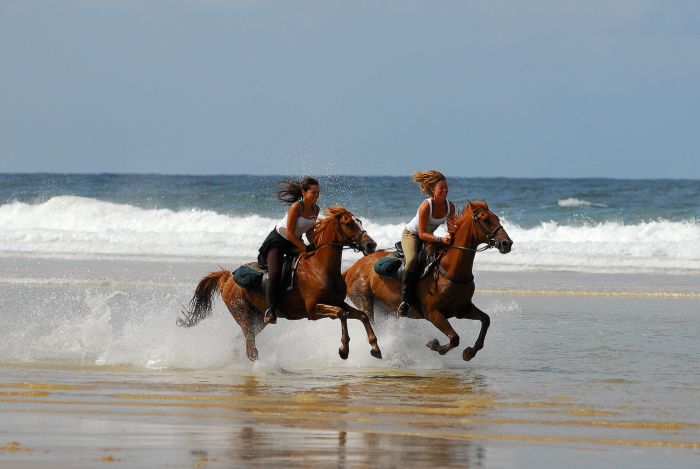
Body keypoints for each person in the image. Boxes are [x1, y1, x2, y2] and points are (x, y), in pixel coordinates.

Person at [257, 176, 320, 325]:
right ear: (304, 192)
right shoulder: (295, 207)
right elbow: (290, 233)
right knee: (275, 273)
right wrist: (304, 247)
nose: (316, 196)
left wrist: (316, 244)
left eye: (318, 193)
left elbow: (309, 231)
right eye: (313, 193)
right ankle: (271, 310)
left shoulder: (315, 209)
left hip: (294, 242)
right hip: (278, 241)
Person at [397, 170, 456, 316]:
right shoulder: (426, 206)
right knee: (412, 260)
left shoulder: (450, 207)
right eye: (441, 188)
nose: (445, 190)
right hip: (412, 235)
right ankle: (404, 301)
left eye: (446, 187)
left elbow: (451, 231)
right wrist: (440, 239)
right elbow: (422, 234)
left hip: (429, 237)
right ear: (432, 189)